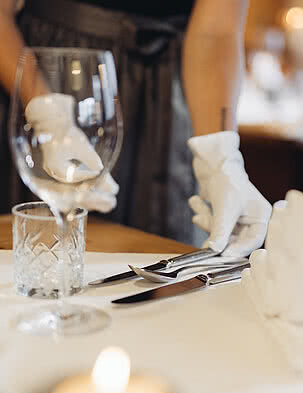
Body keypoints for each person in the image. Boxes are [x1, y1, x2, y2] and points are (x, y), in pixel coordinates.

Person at [0, 0, 271, 257]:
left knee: (166, 270)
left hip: (173, 91)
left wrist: (219, 155)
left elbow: (216, 33)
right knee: (48, 251)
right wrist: (49, 117)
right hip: (56, 75)